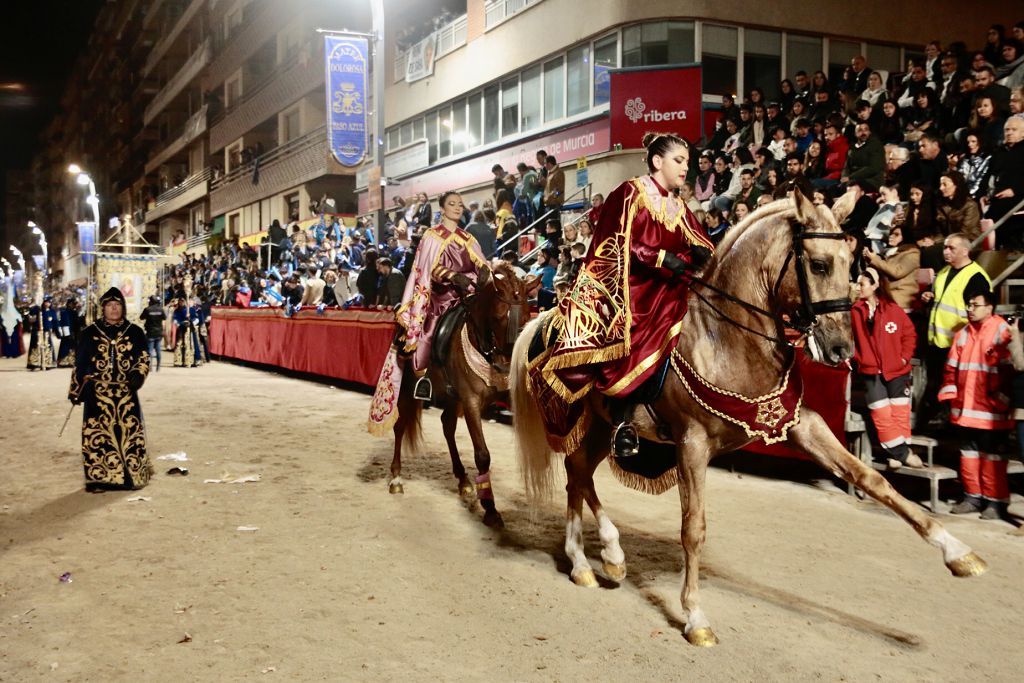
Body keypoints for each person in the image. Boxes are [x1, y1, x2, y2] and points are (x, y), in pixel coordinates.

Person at [528, 132, 714, 458]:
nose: (686, 167)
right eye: (679, 160)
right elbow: (615, 242)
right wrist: (660, 258)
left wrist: (702, 252)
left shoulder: (679, 205)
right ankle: (623, 417)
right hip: (632, 285)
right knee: (634, 332)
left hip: (672, 284)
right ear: (658, 161)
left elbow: (699, 240)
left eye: (688, 161)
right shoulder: (630, 193)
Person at [367, 190, 488, 427]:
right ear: (442, 208)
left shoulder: (469, 239)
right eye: (452, 204)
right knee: (431, 332)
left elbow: (481, 263)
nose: (457, 207)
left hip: (467, 296)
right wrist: (453, 275)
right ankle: (425, 379)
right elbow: (427, 269)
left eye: (460, 204)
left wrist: (484, 271)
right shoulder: (432, 237)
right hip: (440, 298)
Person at [940, 285, 1014, 520]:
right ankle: (972, 497)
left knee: (993, 458)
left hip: (992, 411)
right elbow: (950, 368)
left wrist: (1001, 400)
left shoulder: (1003, 331)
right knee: (969, 454)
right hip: (966, 409)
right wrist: (953, 397)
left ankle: (994, 502)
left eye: (975, 305)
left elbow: (1011, 371)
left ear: (990, 307)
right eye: (968, 305)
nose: (970, 310)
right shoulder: (963, 333)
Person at [68, 287, 152, 492]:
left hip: (126, 393)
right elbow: (80, 362)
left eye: (118, 305)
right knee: (99, 435)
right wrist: (77, 388)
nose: (114, 309)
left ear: (123, 307)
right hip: (97, 393)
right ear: (103, 308)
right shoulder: (89, 333)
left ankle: (131, 478)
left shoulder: (135, 331)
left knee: (129, 433)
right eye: (110, 306)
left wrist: (139, 374)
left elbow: (143, 357)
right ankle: (99, 479)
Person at [851, 268, 922, 469]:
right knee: (881, 414)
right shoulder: (855, 311)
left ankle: (896, 456)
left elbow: (910, 335)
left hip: (897, 371)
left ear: (875, 286)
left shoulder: (893, 309)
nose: (858, 287)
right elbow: (849, 340)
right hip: (870, 372)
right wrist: (860, 358)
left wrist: (902, 359)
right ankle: (904, 455)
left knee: (899, 413)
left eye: (862, 284)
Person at [919, 233, 992, 429]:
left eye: (951, 248)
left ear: (965, 251)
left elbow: (982, 312)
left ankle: (951, 428)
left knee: (955, 391)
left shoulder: (976, 277)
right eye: (945, 247)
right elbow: (942, 298)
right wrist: (929, 296)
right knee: (938, 387)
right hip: (938, 342)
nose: (946, 251)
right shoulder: (943, 272)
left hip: (960, 346)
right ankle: (937, 426)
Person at [863, 224, 921, 311]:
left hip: (900, 297)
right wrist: (870, 259)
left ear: (905, 237)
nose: (891, 236)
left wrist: (875, 259)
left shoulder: (912, 254)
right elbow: (884, 269)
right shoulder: (891, 253)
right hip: (887, 294)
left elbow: (896, 272)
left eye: (896, 235)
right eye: (891, 234)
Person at [935, 170, 982, 242]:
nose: (941, 188)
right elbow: (939, 230)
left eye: (945, 184)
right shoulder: (942, 204)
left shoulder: (970, 205)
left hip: (968, 243)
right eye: (940, 184)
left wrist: (941, 242)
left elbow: (964, 233)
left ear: (956, 185)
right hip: (947, 242)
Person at [26, 296, 57, 371]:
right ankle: (35, 363)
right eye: (46, 302)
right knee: (36, 346)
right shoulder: (37, 310)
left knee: (48, 346)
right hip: (37, 331)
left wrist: (57, 332)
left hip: (47, 332)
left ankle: (47, 363)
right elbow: (31, 319)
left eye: (49, 302)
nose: (47, 304)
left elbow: (55, 322)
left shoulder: (52, 311)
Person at [172, 297, 201, 367]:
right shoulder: (177, 310)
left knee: (192, 345)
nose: (181, 303)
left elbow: (196, 318)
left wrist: (192, 323)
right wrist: (178, 323)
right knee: (180, 344)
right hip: (181, 330)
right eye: (180, 301)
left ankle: (192, 360)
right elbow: (175, 318)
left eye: (182, 301)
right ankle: (179, 361)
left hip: (190, 330)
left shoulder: (191, 309)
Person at [139, 295, 167, 371]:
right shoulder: (160, 309)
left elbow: (141, 317)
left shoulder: (148, 309)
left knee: (150, 350)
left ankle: (150, 366)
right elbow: (164, 317)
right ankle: (158, 367)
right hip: (159, 332)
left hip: (150, 332)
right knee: (158, 350)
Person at [56, 297, 83, 367]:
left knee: (73, 346)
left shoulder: (75, 312)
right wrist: (67, 333)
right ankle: (64, 361)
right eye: (73, 304)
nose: (74, 305)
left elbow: (78, 323)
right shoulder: (64, 312)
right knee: (66, 345)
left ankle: (72, 361)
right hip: (67, 332)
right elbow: (64, 323)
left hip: (74, 332)